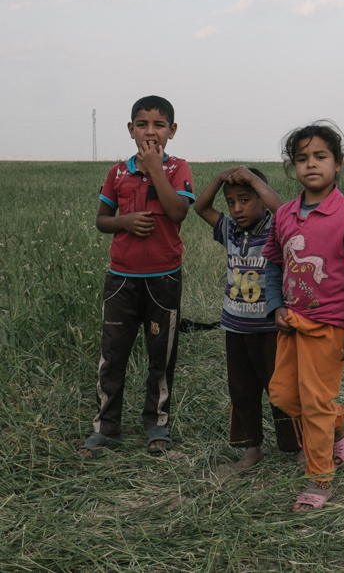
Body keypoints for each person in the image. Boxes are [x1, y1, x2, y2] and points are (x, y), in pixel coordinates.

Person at [262, 121, 344, 512]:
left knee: (313, 403)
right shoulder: (284, 215)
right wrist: (275, 304)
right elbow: (274, 265)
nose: (310, 165)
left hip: (330, 324)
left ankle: (320, 478)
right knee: (281, 394)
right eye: (301, 158)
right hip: (290, 322)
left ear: (338, 163)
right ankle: (341, 418)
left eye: (320, 156)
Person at [78, 96, 196, 458]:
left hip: (163, 279)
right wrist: (124, 222)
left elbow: (177, 212)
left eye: (159, 125)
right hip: (121, 280)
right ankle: (105, 428)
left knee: (161, 354)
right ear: (130, 130)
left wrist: (154, 168)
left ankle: (156, 424)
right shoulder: (116, 173)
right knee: (113, 354)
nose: (150, 132)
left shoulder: (177, 168)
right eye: (142, 125)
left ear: (172, 131)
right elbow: (102, 221)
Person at [192, 165, 299, 468]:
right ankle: (251, 447)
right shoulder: (229, 230)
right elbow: (200, 207)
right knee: (241, 390)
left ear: (262, 200)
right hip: (236, 326)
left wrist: (253, 180)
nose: (237, 208)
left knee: (282, 388)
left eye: (245, 200)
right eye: (231, 202)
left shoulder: (276, 229)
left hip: (271, 327)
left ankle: (296, 445)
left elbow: (284, 211)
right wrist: (218, 178)